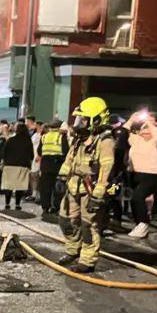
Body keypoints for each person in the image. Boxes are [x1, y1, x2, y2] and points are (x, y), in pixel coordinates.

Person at [56, 97, 115, 273]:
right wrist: (61, 177)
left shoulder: (104, 141)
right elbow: (70, 159)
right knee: (65, 219)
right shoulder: (79, 138)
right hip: (73, 186)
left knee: (88, 225)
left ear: (95, 120)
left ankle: (87, 260)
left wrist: (98, 195)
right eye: (78, 119)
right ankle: (73, 249)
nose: (78, 123)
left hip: (90, 189)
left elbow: (106, 169)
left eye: (82, 119)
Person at [123, 111, 157, 238]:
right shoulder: (137, 140)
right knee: (133, 200)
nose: (145, 133)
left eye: (148, 131)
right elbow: (123, 132)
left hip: (151, 175)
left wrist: (148, 121)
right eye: (143, 131)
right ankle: (139, 224)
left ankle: (144, 223)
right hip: (135, 174)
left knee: (138, 197)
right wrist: (132, 119)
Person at [38, 121, 68, 214]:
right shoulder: (61, 137)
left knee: (45, 188)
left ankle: (45, 207)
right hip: (57, 165)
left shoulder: (44, 137)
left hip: (45, 165)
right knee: (57, 187)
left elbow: (39, 151)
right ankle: (56, 206)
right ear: (59, 127)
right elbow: (65, 150)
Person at [2, 121, 33, 210]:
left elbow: (4, 153)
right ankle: (17, 204)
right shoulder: (28, 141)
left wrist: (3, 162)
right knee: (20, 186)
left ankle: (7, 203)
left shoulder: (10, 140)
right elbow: (31, 155)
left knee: (8, 186)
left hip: (9, 165)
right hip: (22, 165)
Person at [24, 116, 41, 202]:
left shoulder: (42, 136)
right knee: (32, 175)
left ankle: (37, 194)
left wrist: (39, 155)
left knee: (36, 175)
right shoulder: (34, 134)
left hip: (38, 157)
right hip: (32, 156)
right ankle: (33, 193)